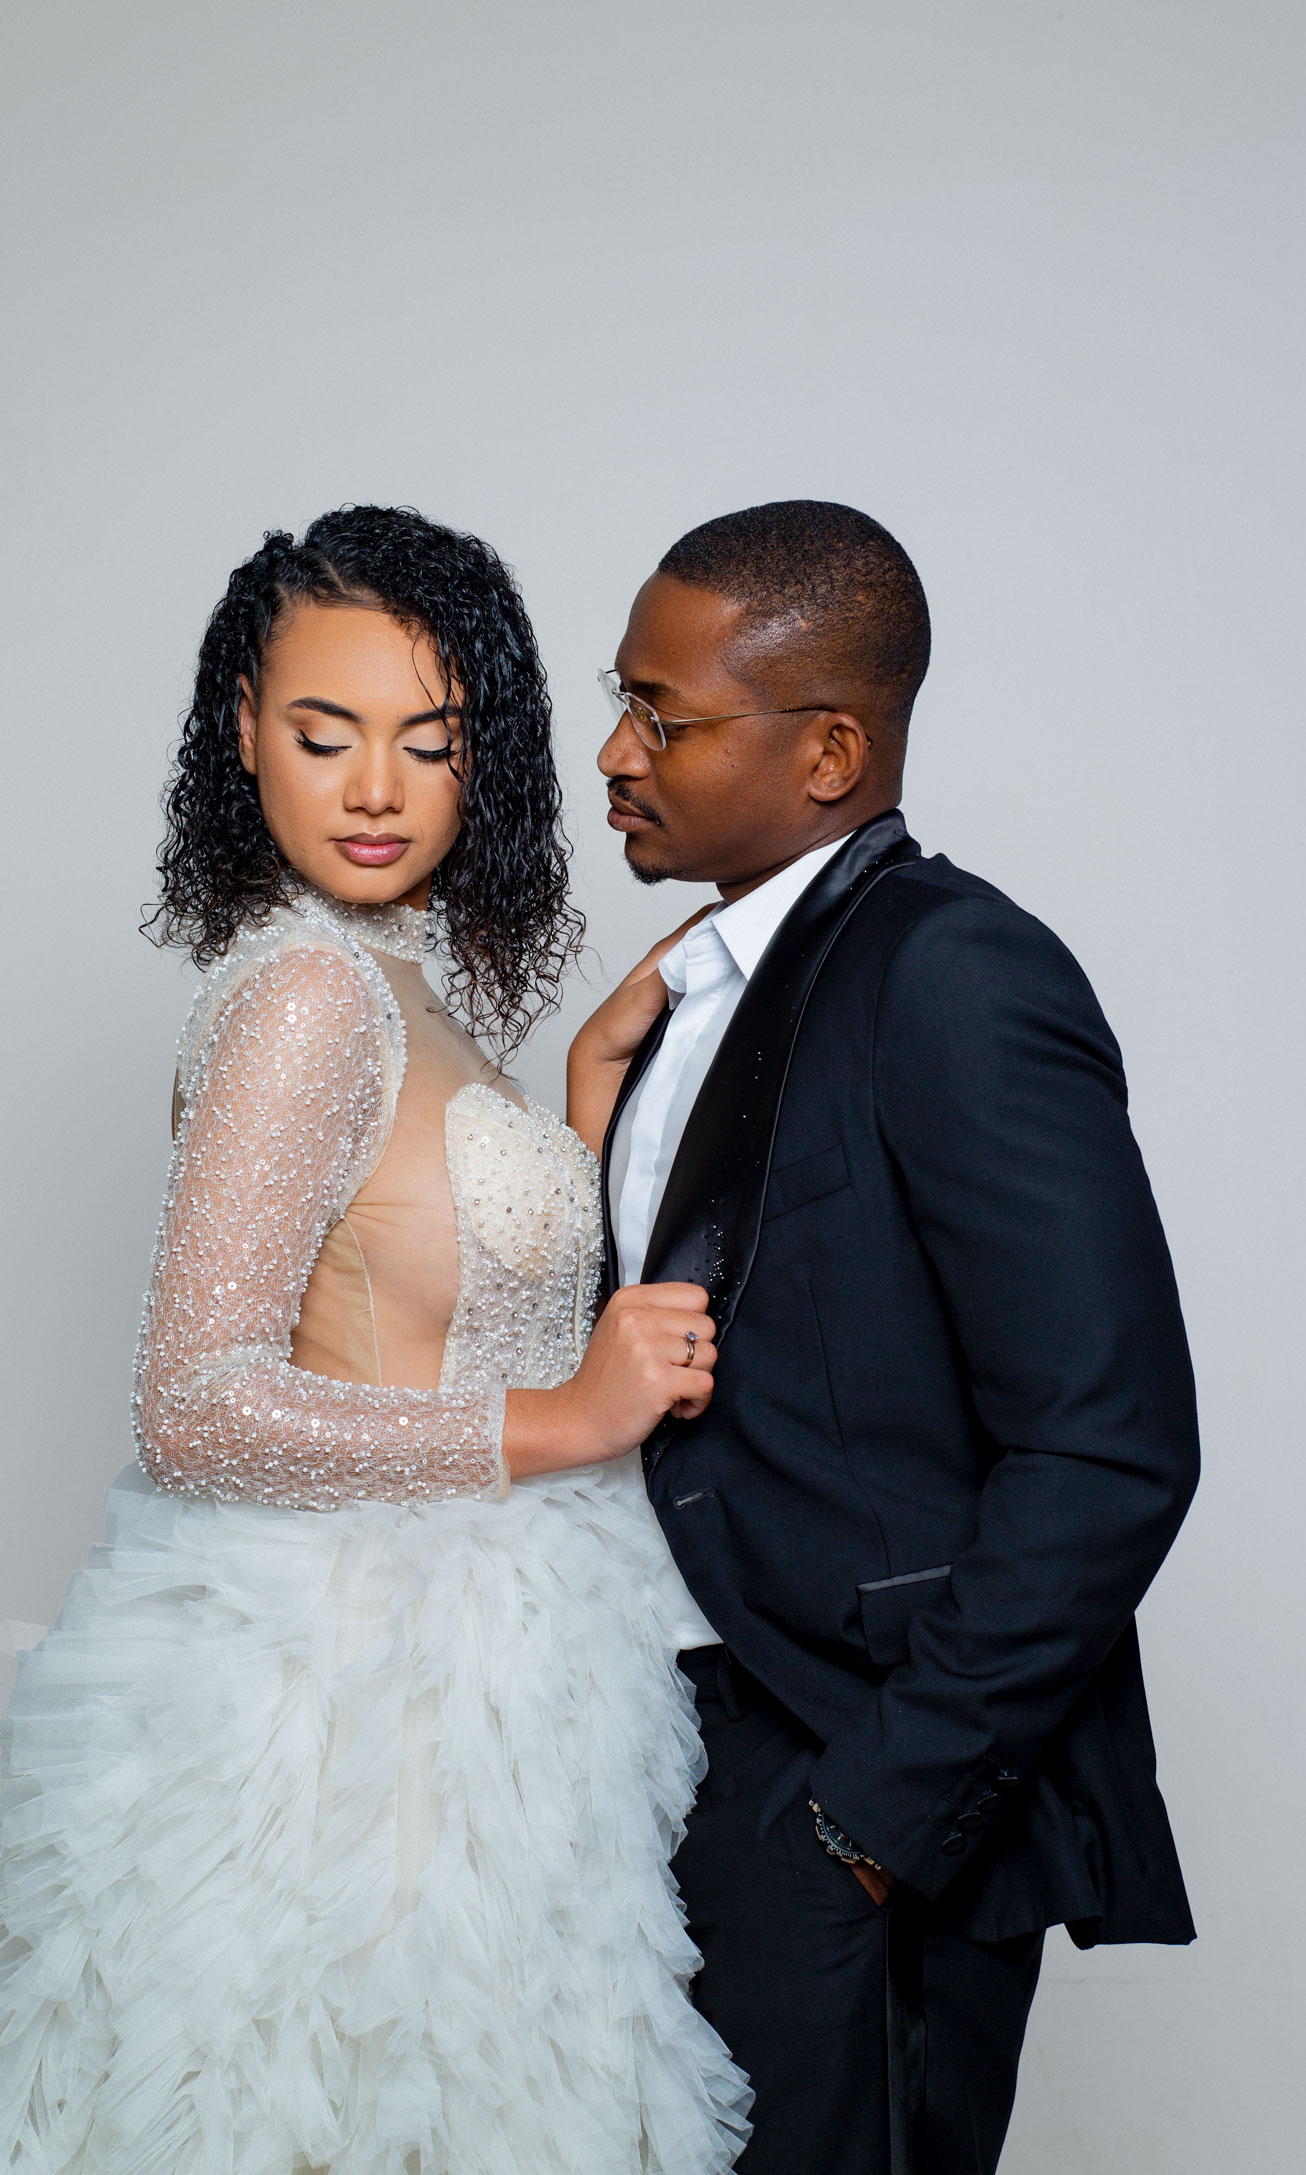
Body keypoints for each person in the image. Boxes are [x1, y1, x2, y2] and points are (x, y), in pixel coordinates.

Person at [0, 506, 751, 2174]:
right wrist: (565, 1423)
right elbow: (196, 1406)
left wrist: (578, 1113)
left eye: (431, 740)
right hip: (345, 1692)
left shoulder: (389, 983)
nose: (375, 789)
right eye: (324, 734)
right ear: (243, 733)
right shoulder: (305, 999)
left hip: (478, 1665)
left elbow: (440, 1293)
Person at [567, 501, 1199, 2175]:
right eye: (619, 701)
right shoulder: (688, 1000)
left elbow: (1108, 1445)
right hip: (668, 1765)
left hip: (848, 1787)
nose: (614, 753)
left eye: (662, 716)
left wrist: (867, 1823)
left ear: (829, 749)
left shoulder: (954, 971)